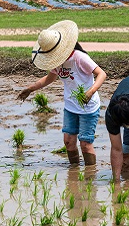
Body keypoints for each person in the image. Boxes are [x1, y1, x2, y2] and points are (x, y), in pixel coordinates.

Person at [19, 20, 106, 166]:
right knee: (68, 142)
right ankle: (74, 172)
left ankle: (90, 177)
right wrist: (30, 89)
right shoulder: (57, 62)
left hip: (88, 107)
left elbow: (101, 74)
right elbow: (49, 79)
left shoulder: (79, 57)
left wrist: (90, 92)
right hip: (71, 107)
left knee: (85, 143)